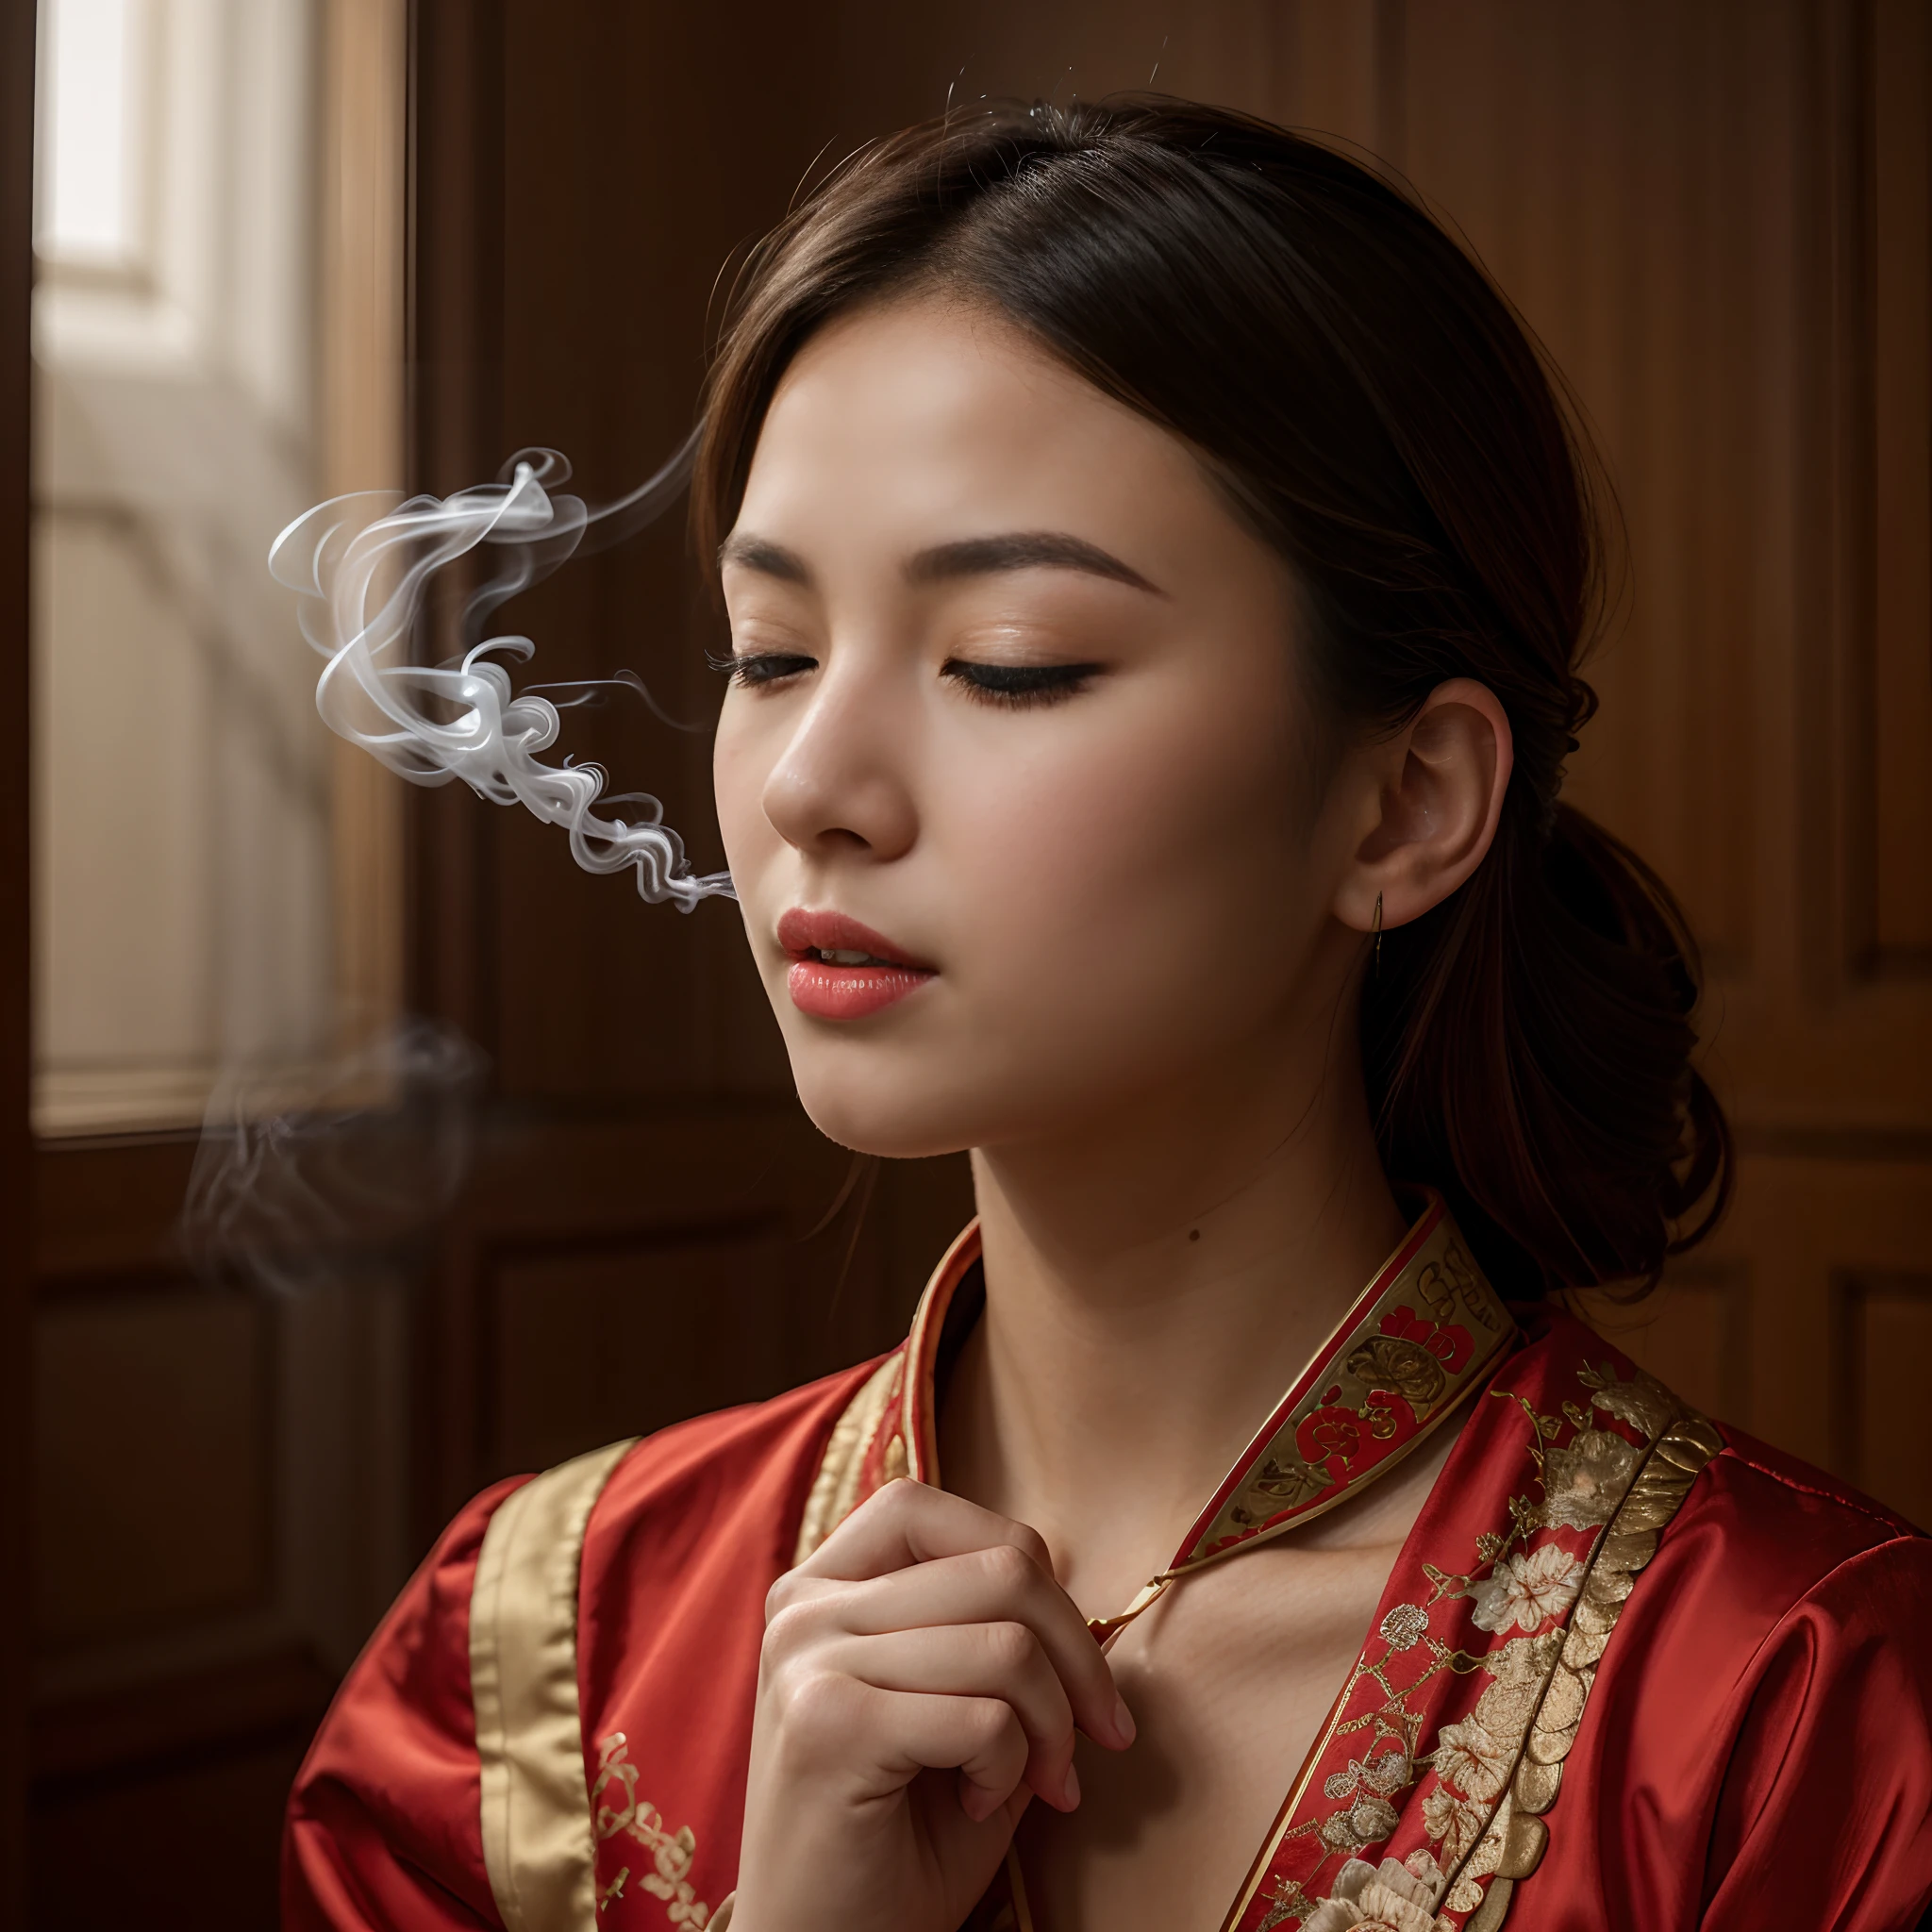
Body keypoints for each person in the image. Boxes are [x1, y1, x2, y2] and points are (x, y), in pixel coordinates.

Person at [282, 97, 1932, 1932]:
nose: (812, 780)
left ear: (1403, 803)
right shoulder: (524, 1654)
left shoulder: (1789, 1715)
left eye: (1011, 664)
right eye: (768, 654)